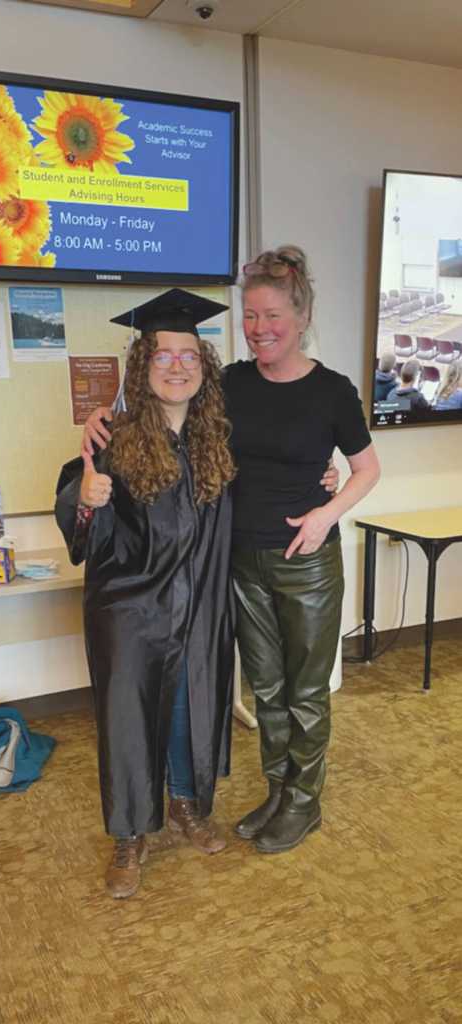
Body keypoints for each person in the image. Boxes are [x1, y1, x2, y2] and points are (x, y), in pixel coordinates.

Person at [84, 247, 380, 855]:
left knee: (306, 689)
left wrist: (327, 511)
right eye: (250, 316)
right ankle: (277, 790)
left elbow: (366, 470)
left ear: (300, 317)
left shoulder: (332, 391)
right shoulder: (233, 385)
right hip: (241, 562)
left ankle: (304, 801)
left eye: (272, 315)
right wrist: (100, 416)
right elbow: (165, 402)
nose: (260, 328)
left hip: (306, 562)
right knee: (266, 689)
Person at [55, 290, 237, 900]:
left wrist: (323, 475)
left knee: (191, 708)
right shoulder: (113, 437)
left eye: (189, 354)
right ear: (143, 365)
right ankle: (130, 834)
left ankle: (186, 804)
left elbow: (263, 488)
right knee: (128, 721)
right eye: (164, 355)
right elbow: (80, 513)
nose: (177, 365)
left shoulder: (218, 439)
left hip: (200, 605)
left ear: (204, 366)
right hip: (130, 609)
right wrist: (84, 501)